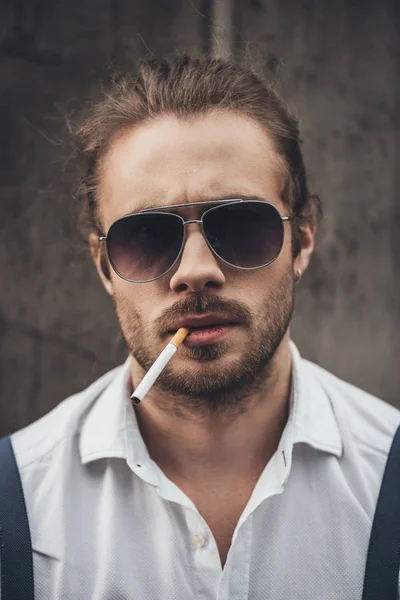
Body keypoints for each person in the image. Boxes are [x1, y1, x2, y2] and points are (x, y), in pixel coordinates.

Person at [7, 54, 400, 599]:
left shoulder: (387, 475)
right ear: (103, 265)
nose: (196, 272)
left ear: (303, 239)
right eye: (146, 237)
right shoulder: (19, 499)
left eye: (241, 225)